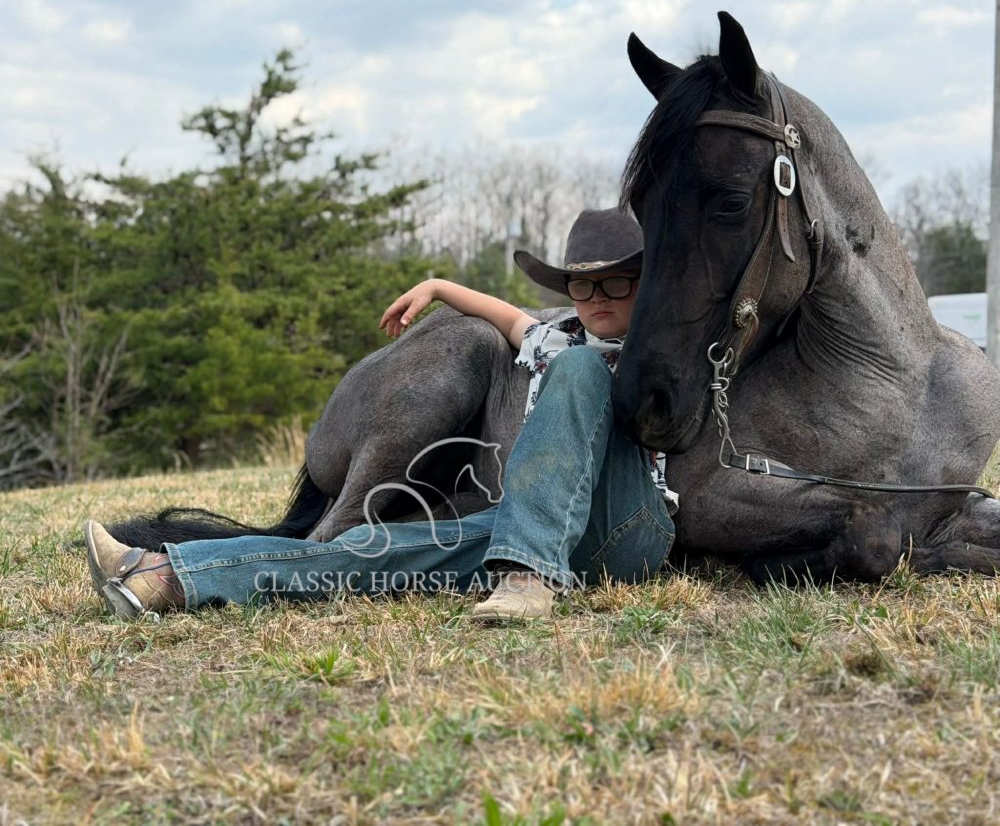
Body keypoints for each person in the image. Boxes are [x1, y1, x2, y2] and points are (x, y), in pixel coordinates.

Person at [83, 207, 677, 622]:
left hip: (624, 530)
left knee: (580, 369)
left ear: (647, 283)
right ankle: (165, 577)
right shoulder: (551, 337)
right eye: (583, 287)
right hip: (529, 530)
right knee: (373, 547)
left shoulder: (663, 349)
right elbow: (503, 314)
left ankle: (528, 578)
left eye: (615, 285)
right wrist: (438, 286)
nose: (597, 299)